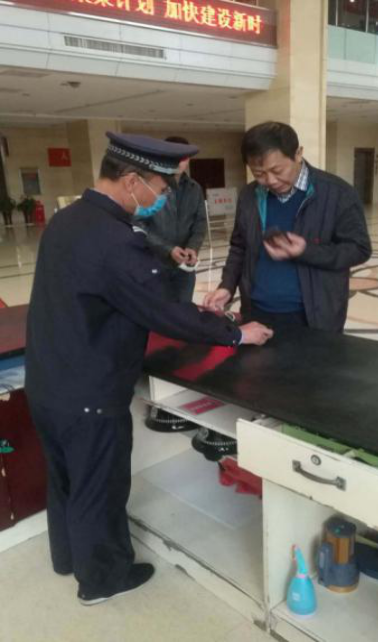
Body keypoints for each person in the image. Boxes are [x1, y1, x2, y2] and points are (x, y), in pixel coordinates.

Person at [25, 132, 273, 607]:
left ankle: (68, 558)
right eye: (160, 188)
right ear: (132, 181)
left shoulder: (68, 220)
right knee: (99, 486)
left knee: (66, 477)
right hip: (90, 391)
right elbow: (164, 311)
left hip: (48, 382)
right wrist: (235, 334)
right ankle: (103, 579)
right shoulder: (115, 240)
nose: (162, 198)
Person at [203, 121, 372, 334]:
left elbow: (359, 249)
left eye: (277, 170)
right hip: (256, 312)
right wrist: (227, 286)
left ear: (298, 154)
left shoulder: (338, 193)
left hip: (314, 316)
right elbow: (239, 247)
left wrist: (306, 251)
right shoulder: (249, 195)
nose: (270, 180)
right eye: (259, 174)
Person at [143, 135, 206, 303]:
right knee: (157, 311)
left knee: (183, 311)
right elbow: (139, 225)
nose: (178, 162)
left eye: (183, 157)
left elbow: (200, 223)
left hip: (184, 267)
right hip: (154, 264)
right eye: (172, 156)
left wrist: (193, 247)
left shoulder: (195, 188)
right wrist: (168, 249)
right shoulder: (149, 187)